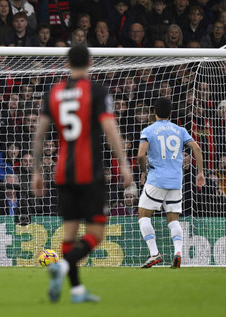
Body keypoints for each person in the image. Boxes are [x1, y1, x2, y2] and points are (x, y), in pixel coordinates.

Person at [32, 45, 132, 303]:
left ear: (67, 63)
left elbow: (39, 134)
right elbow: (110, 128)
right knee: (96, 234)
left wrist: (36, 171)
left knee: (69, 235)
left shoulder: (53, 92)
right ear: (90, 62)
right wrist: (123, 162)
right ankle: (63, 267)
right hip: (90, 173)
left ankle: (76, 291)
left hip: (63, 173)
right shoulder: (96, 91)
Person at [137, 97, 205, 269]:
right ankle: (178, 252)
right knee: (173, 220)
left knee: (143, 216)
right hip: (176, 181)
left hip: (156, 179)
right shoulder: (180, 130)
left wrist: (144, 171)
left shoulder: (149, 130)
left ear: (154, 112)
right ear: (171, 113)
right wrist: (200, 173)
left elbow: (140, 155)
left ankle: (154, 254)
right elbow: (196, 148)